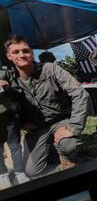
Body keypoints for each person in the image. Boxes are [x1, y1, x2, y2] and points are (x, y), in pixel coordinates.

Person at [0, 35, 89, 177]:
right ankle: (52, 148)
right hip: (38, 128)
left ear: (32, 53)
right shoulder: (9, 79)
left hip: (61, 120)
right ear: (9, 56)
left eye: (25, 51)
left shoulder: (50, 69)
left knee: (68, 144)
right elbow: (12, 108)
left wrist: (74, 127)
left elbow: (80, 94)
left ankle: (67, 155)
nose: (22, 55)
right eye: (16, 52)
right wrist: (23, 123)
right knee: (31, 171)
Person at [0, 89, 29, 188]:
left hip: (8, 113)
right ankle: (2, 175)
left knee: (15, 145)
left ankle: (19, 172)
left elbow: (4, 75)